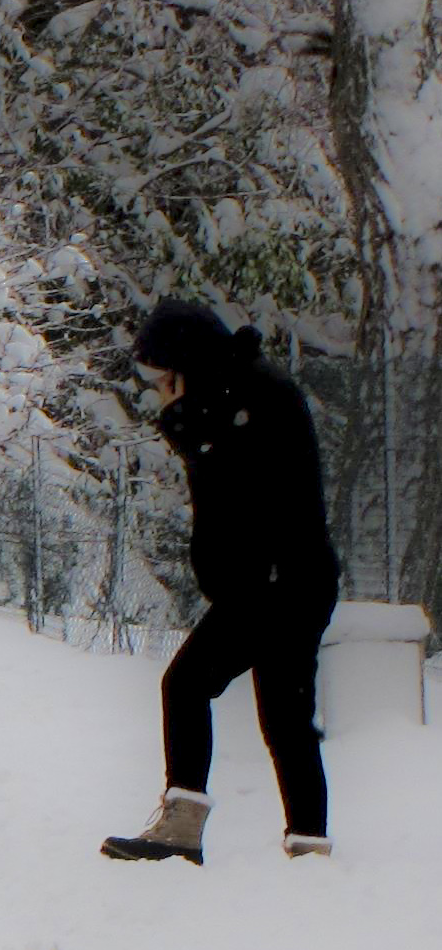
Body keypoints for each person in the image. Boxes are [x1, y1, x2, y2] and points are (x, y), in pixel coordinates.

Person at [103, 302, 341, 864]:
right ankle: (309, 846)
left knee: (186, 686)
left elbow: (239, 492)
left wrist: (185, 424)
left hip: (274, 584)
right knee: (286, 718)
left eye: (164, 377)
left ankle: (181, 831)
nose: (161, 389)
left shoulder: (247, 398)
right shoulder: (243, 389)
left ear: (186, 361)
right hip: (289, 580)